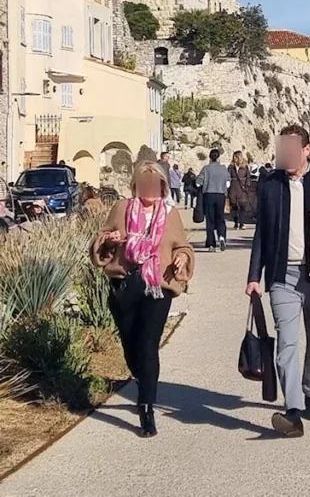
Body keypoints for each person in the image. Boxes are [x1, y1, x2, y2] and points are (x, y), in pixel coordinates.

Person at [245, 124, 310, 437]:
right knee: (287, 344)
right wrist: (254, 276)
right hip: (283, 276)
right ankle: (292, 411)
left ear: (306, 150)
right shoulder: (270, 184)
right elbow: (262, 233)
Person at [90, 161, 194, 437]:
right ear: (136, 185)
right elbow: (101, 241)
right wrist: (110, 241)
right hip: (124, 284)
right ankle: (141, 376)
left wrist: (181, 258)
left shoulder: (170, 215)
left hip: (157, 287)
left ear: (162, 187)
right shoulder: (122, 208)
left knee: (148, 345)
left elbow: (182, 246)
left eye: (155, 184)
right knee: (131, 344)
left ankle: (146, 408)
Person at [197, 148, 230, 252]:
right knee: (220, 218)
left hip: (209, 195)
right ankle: (222, 236)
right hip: (220, 195)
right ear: (219, 157)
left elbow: (198, 182)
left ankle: (211, 245)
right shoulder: (223, 169)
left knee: (210, 220)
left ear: (210, 157)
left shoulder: (206, 168)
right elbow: (228, 183)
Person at [228, 151, 254, 231]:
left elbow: (248, 177)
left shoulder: (245, 167)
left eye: (236, 157)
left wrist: (247, 185)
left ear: (239, 157)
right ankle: (236, 222)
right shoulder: (231, 167)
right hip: (233, 188)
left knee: (242, 206)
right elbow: (228, 177)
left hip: (242, 189)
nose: (234, 158)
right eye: (234, 157)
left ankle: (241, 223)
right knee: (234, 207)